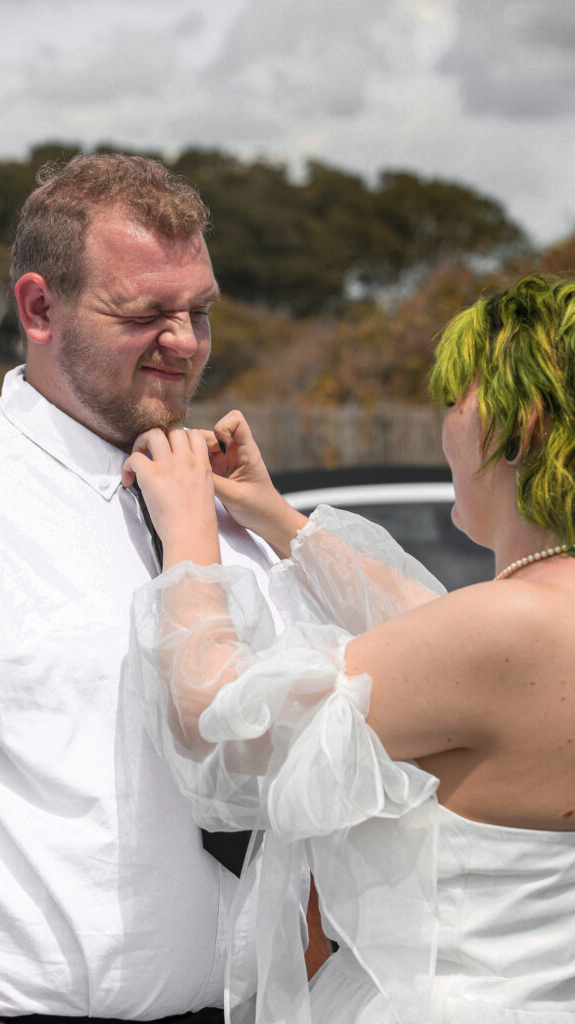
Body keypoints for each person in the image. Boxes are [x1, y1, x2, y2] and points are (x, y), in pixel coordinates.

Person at [0, 153, 326, 1022]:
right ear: (39, 308)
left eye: (198, 312)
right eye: (144, 313)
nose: (185, 343)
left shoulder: (233, 509)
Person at [124, 275, 575, 1023]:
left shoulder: (503, 631)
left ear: (519, 421)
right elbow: (429, 627)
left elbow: (217, 726)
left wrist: (188, 536)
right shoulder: (531, 623)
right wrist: (280, 523)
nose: (445, 425)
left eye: (454, 399)